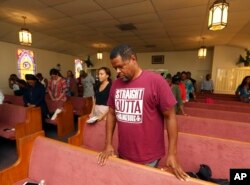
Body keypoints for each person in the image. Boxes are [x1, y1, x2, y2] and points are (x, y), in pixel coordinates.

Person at [97, 44, 189, 181]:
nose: (117, 71)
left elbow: (170, 117)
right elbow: (111, 113)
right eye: (115, 68)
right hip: (124, 152)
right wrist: (108, 143)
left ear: (133, 59)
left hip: (148, 156)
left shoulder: (156, 81)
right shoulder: (116, 84)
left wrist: (172, 154)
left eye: (121, 66)